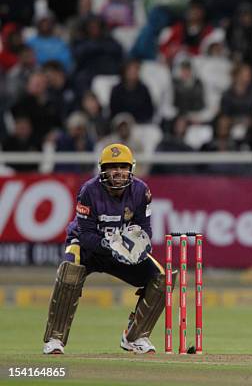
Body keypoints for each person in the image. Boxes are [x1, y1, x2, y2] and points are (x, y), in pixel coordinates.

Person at [42, 143, 169, 355]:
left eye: (123, 166)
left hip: (120, 249)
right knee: (69, 272)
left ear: (131, 168)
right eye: (112, 167)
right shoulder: (89, 191)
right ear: (103, 170)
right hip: (88, 248)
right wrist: (110, 246)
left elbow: (145, 231)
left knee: (161, 278)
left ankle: (135, 337)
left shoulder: (141, 191)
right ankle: (55, 339)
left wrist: (137, 248)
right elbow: (85, 234)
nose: (118, 172)